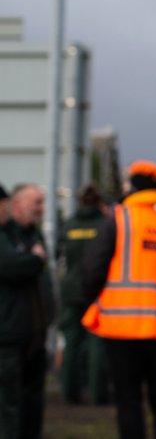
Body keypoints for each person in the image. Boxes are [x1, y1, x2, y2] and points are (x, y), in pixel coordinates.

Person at [81, 161, 156, 439]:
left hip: (123, 331)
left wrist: (93, 299)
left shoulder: (120, 220)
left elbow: (92, 269)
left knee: (128, 402)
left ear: (134, 188)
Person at [0, 183, 54, 439]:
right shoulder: (7, 236)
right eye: (37, 203)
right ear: (16, 204)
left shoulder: (32, 235)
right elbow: (12, 266)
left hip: (33, 336)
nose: (41, 209)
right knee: (9, 407)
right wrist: (35, 259)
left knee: (31, 404)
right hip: (9, 337)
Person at [57, 185, 111, 406]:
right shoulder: (105, 226)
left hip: (71, 291)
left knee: (71, 342)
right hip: (97, 291)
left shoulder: (69, 225)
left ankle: (69, 392)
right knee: (97, 343)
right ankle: (99, 394)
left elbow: (59, 256)